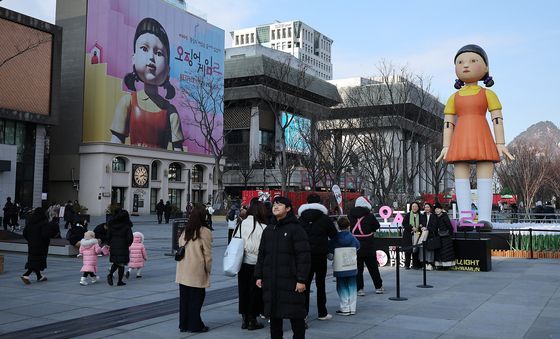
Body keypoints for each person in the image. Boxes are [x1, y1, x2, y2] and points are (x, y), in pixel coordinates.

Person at [436, 44, 514, 226]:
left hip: (482, 135)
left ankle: (485, 218)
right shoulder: (453, 98)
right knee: (460, 177)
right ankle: (465, 218)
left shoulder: (488, 94)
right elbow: (448, 123)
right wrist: (446, 146)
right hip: (460, 138)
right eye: (460, 62)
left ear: (486, 67)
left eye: (473, 61)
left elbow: (497, 119)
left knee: (484, 175)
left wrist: (500, 142)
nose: (465, 65)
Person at [110, 17, 184, 151]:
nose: (151, 57)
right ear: (133, 58)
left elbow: (178, 153)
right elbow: (115, 143)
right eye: (144, 49)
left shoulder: (170, 111)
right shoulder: (128, 102)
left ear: (167, 69)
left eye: (159, 53)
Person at [255, 196, 310, 339]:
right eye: (274, 204)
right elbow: (262, 254)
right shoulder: (269, 229)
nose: (275, 207)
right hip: (272, 280)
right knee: (274, 317)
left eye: (279, 205)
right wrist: (259, 275)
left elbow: (303, 256)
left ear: (288, 209)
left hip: (291, 281)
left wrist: (301, 279)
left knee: (296, 315)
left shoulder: (296, 229)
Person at [298, 193, 337, 322]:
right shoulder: (325, 219)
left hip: (304, 256)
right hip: (320, 255)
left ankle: (303, 313)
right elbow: (334, 235)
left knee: (304, 284)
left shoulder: (300, 219)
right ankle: (322, 312)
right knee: (321, 284)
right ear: (319, 203)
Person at [176, 203, 212, 333]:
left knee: (184, 299)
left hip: (183, 270)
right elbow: (207, 254)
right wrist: (208, 269)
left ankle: (183, 324)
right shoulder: (205, 232)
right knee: (196, 299)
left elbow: (180, 245)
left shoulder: (186, 230)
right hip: (197, 270)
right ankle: (195, 325)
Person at [234, 198, 267, 330]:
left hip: (242, 262)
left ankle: (244, 318)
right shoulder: (264, 227)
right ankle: (252, 319)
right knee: (256, 292)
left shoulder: (241, 225)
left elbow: (235, 241)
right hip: (257, 264)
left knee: (243, 291)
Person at [348, 197, 384, 296]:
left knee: (358, 269)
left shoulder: (350, 215)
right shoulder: (370, 215)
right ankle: (378, 287)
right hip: (368, 244)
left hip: (355, 244)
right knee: (373, 267)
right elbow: (377, 226)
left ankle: (360, 289)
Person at [328, 216, 360, 316]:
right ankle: (352, 308)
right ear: (349, 226)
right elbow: (358, 247)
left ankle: (345, 308)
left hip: (340, 267)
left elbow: (330, 252)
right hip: (351, 266)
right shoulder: (353, 238)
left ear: (338, 225)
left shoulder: (334, 238)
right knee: (352, 286)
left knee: (341, 287)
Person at [21, 208, 58, 284]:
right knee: (38, 260)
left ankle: (39, 277)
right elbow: (45, 234)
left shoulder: (30, 222)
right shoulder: (43, 223)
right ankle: (26, 275)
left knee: (33, 259)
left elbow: (25, 233)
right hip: (41, 245)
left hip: (31, 244)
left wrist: (30, 240)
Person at [106, 209, 134, 286]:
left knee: (116, 262)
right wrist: (128, 244)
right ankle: (119, 281)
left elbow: (108, 236)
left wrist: (109, 243)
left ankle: (111, 274)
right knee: (121, 264)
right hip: (123, 245)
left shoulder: (111, 225)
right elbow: (130, 238)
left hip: (113, 245)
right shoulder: (127, 226)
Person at [433, 203, 455, 270]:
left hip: (446, 237)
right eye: (436, 209)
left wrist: (449, 234)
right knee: (439, 252)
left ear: (441, 209)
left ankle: (446, 265)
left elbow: (450, 227)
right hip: (438, 236)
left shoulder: (445, 217)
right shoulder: (435, 217)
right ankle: (440, 265)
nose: (437, 210)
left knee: (446, 252)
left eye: (438, 209)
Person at [402, 202, 422, 270]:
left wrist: (419, 227)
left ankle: (415, 265)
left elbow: (423, 223)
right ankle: (407, 265)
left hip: (417, 234)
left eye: (416, 206)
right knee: (408, 250)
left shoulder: (421, 215)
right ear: (411, 207)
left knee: (416, 249)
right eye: (413, 206)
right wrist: (411, 228)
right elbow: (404, 224)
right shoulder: (407, 215)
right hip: (408, 234)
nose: (414, 208)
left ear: (418, 207)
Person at [419, 203, 438, 270]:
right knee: (423, 249)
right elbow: (420, 223)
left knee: (430, 250)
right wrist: (421, 227)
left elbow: (434, 226)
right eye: (425, 207)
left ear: (430, 208)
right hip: (423, 235)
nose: (426, 208)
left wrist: (427, 228)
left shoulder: (434, 216)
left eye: (428, 207)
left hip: (430, 235)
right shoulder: (422, 215)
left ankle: (430, 264)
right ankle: (424, 263)